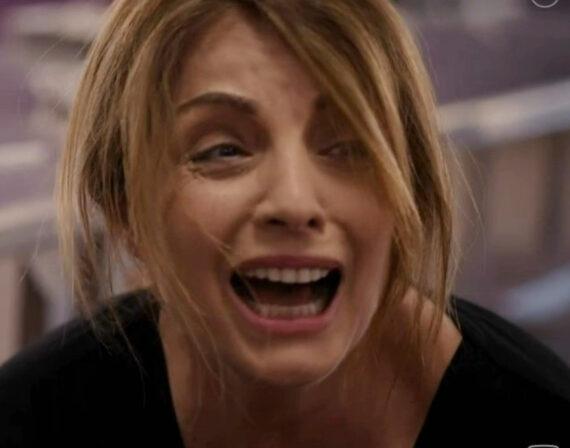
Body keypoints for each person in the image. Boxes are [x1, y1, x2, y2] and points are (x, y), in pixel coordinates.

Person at [1, 0, 569, 446]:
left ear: (409, 193)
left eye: (347, 145)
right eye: (222, 150)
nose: (295, 203)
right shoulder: (36, 418)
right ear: (125, 210)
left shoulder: (533, 418)